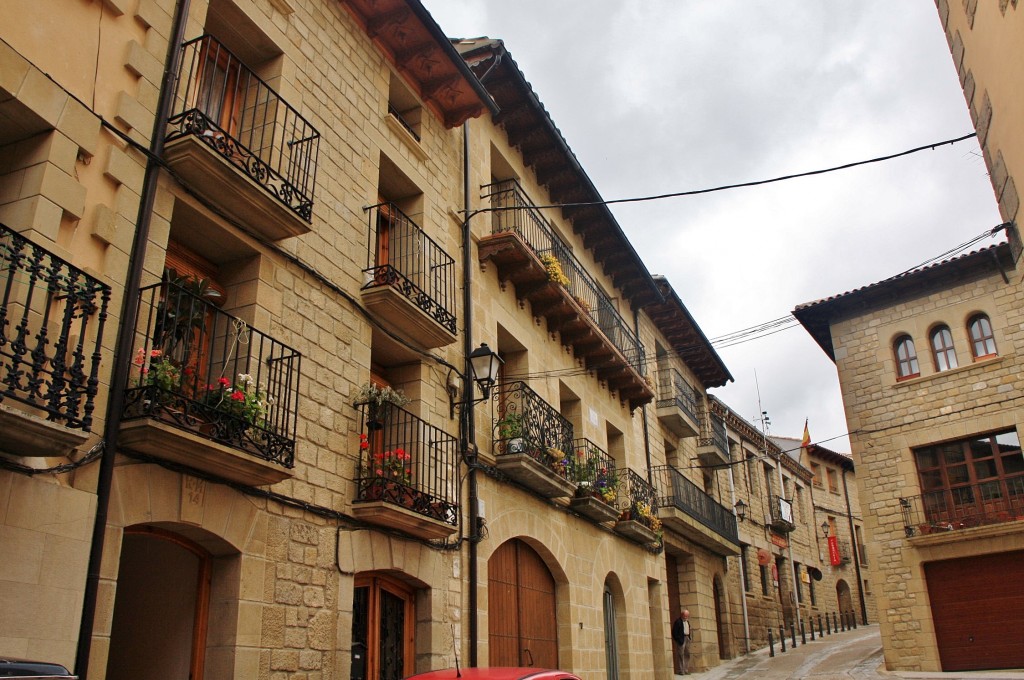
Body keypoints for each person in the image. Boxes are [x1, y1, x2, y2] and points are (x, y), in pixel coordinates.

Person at [672, 608, 692, 674]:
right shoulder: (678, 622)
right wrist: (678, 639)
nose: (686, 617)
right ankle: (681, 670)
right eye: (685, 616)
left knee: (687, 654)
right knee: (681, 654)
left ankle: (686, 669)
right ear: (682, 615)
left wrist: (689, 638)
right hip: (681, 639)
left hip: (687, 638)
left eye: (687, 616)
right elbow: (674, 632)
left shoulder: (687, 621)